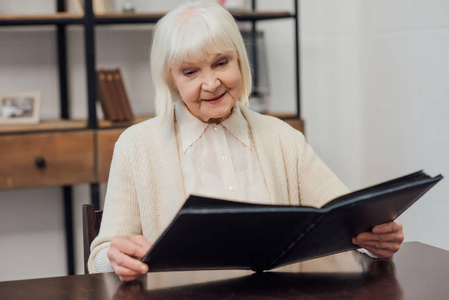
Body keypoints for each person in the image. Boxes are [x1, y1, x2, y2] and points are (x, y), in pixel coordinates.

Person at [88, 1, 404, 282]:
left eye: (221, 63)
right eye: (190, 71)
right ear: (171, 78)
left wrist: (377, 240)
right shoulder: (136, 146)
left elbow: (350, 220)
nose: (211, 83)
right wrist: (116, 258)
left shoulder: (281, 136)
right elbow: (100, 258)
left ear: (240, 60)